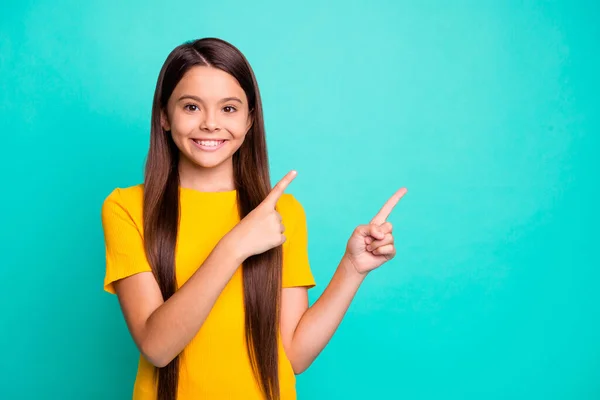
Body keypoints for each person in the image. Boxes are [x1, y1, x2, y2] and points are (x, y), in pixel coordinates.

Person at [101, 37, 407, 400]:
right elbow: (157, 347)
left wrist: (352, 269)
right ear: (165, 116)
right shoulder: (127, 208)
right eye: (191, 107)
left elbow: (293, 355)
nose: (211, 124)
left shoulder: (282, 214)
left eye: (229, 109)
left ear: (249, 120)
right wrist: (234, 245)